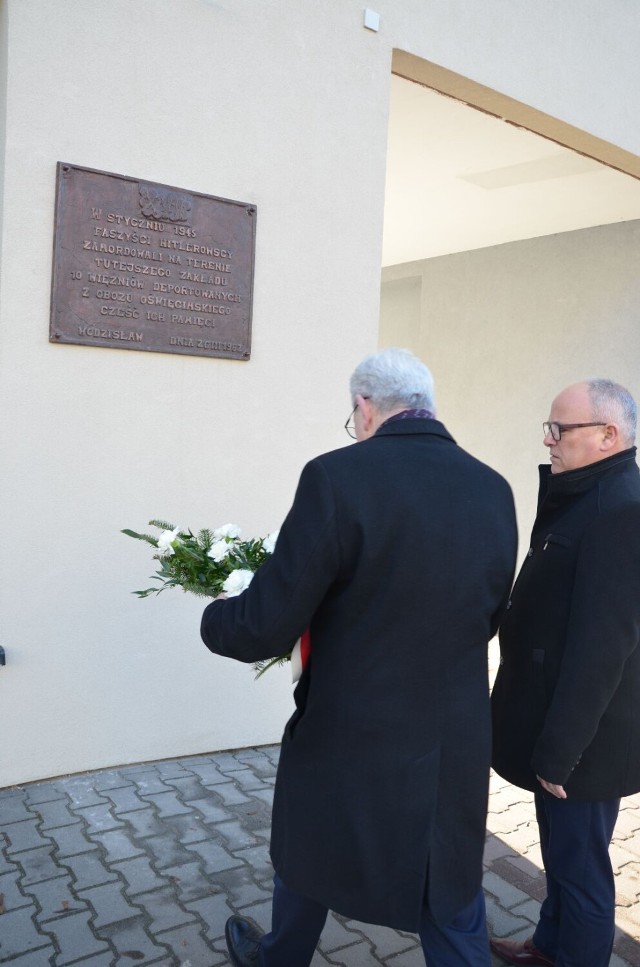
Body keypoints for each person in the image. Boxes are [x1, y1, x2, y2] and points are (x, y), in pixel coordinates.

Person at [201, 347, 517, 967]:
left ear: (365, 407)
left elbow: (266, 624)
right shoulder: (493, 486)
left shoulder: (336, 477)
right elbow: (490, 611)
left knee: (311, 840)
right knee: (446, 881)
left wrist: (217, 615)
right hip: (452, 727)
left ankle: (280, 955)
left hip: (352, 723)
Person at [490, 379, 640, 967]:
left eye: (560, 429)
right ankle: (549, 948)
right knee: (561, 855)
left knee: (581, 873)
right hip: (560, 726)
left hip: (583, 740)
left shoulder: (619, 510)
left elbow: (604, 647)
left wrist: (560, 751)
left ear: (608, 435)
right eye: (548, 427)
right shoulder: (586, 495)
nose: (549, 440)